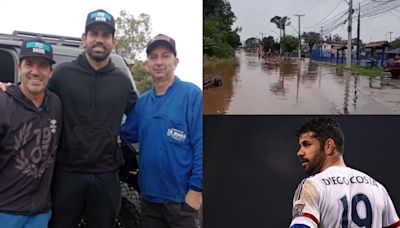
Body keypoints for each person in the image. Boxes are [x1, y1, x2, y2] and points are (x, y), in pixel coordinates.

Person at [47, 9, 137, 228]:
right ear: (84, 38)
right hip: (66, 173)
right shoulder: (61, 75)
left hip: (106, 174)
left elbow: (141, 114)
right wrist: (9, 91)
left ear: (113, 41)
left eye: (105, 35)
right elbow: (34, 101)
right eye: (94, 33)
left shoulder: (121, 81)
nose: (99, 39)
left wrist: (121, 135)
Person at [120, 34, 202, 228]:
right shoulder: (142, 103)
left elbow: (203, 144)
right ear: (147, 63)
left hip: (182, 202)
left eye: (165, 56)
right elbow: (125, 134)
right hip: (149, 200)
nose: (159, 62)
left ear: (176, 61)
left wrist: (196, 190)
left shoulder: (191, 95)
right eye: (153, 57)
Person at [290, 117, 400, 228]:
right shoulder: (378, 189)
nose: (300, 152)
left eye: (307, 144)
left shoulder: (313, 185)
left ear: (328, 146)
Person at [0, 38, 62, 228]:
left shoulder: (56, 104)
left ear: (50, 72)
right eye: (29, 64)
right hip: (5, 211)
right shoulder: (3, 103)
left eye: (43, 66)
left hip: (40, 213)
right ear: (19, 67)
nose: (35, 71)